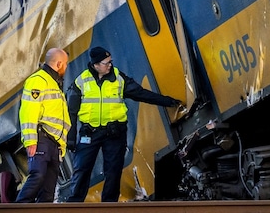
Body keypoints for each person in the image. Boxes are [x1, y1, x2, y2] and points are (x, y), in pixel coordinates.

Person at [64, 46, 182, 202]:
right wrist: (70, 139)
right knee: (82, 169)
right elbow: (71, 113)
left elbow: (140, 94)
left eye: (110, 62)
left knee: (113, 171)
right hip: (90, 133)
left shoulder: (118, 78)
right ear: (95, 65)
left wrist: (167, 101)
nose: (110, 65)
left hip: (115, 133)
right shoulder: (81, 82)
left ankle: (109, 205)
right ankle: (74, 205)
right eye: (106, 63)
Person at [15, 47, 71, 203]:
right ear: (59, 64)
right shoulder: (38, 81)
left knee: (48, 189)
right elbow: (28, 112)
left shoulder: (53, 82)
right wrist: (31, 140)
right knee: (38, 175)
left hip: (54, 143)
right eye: (65, 64)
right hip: (42, 139)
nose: (66, 68)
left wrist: (62, 145)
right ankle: (19, 207)